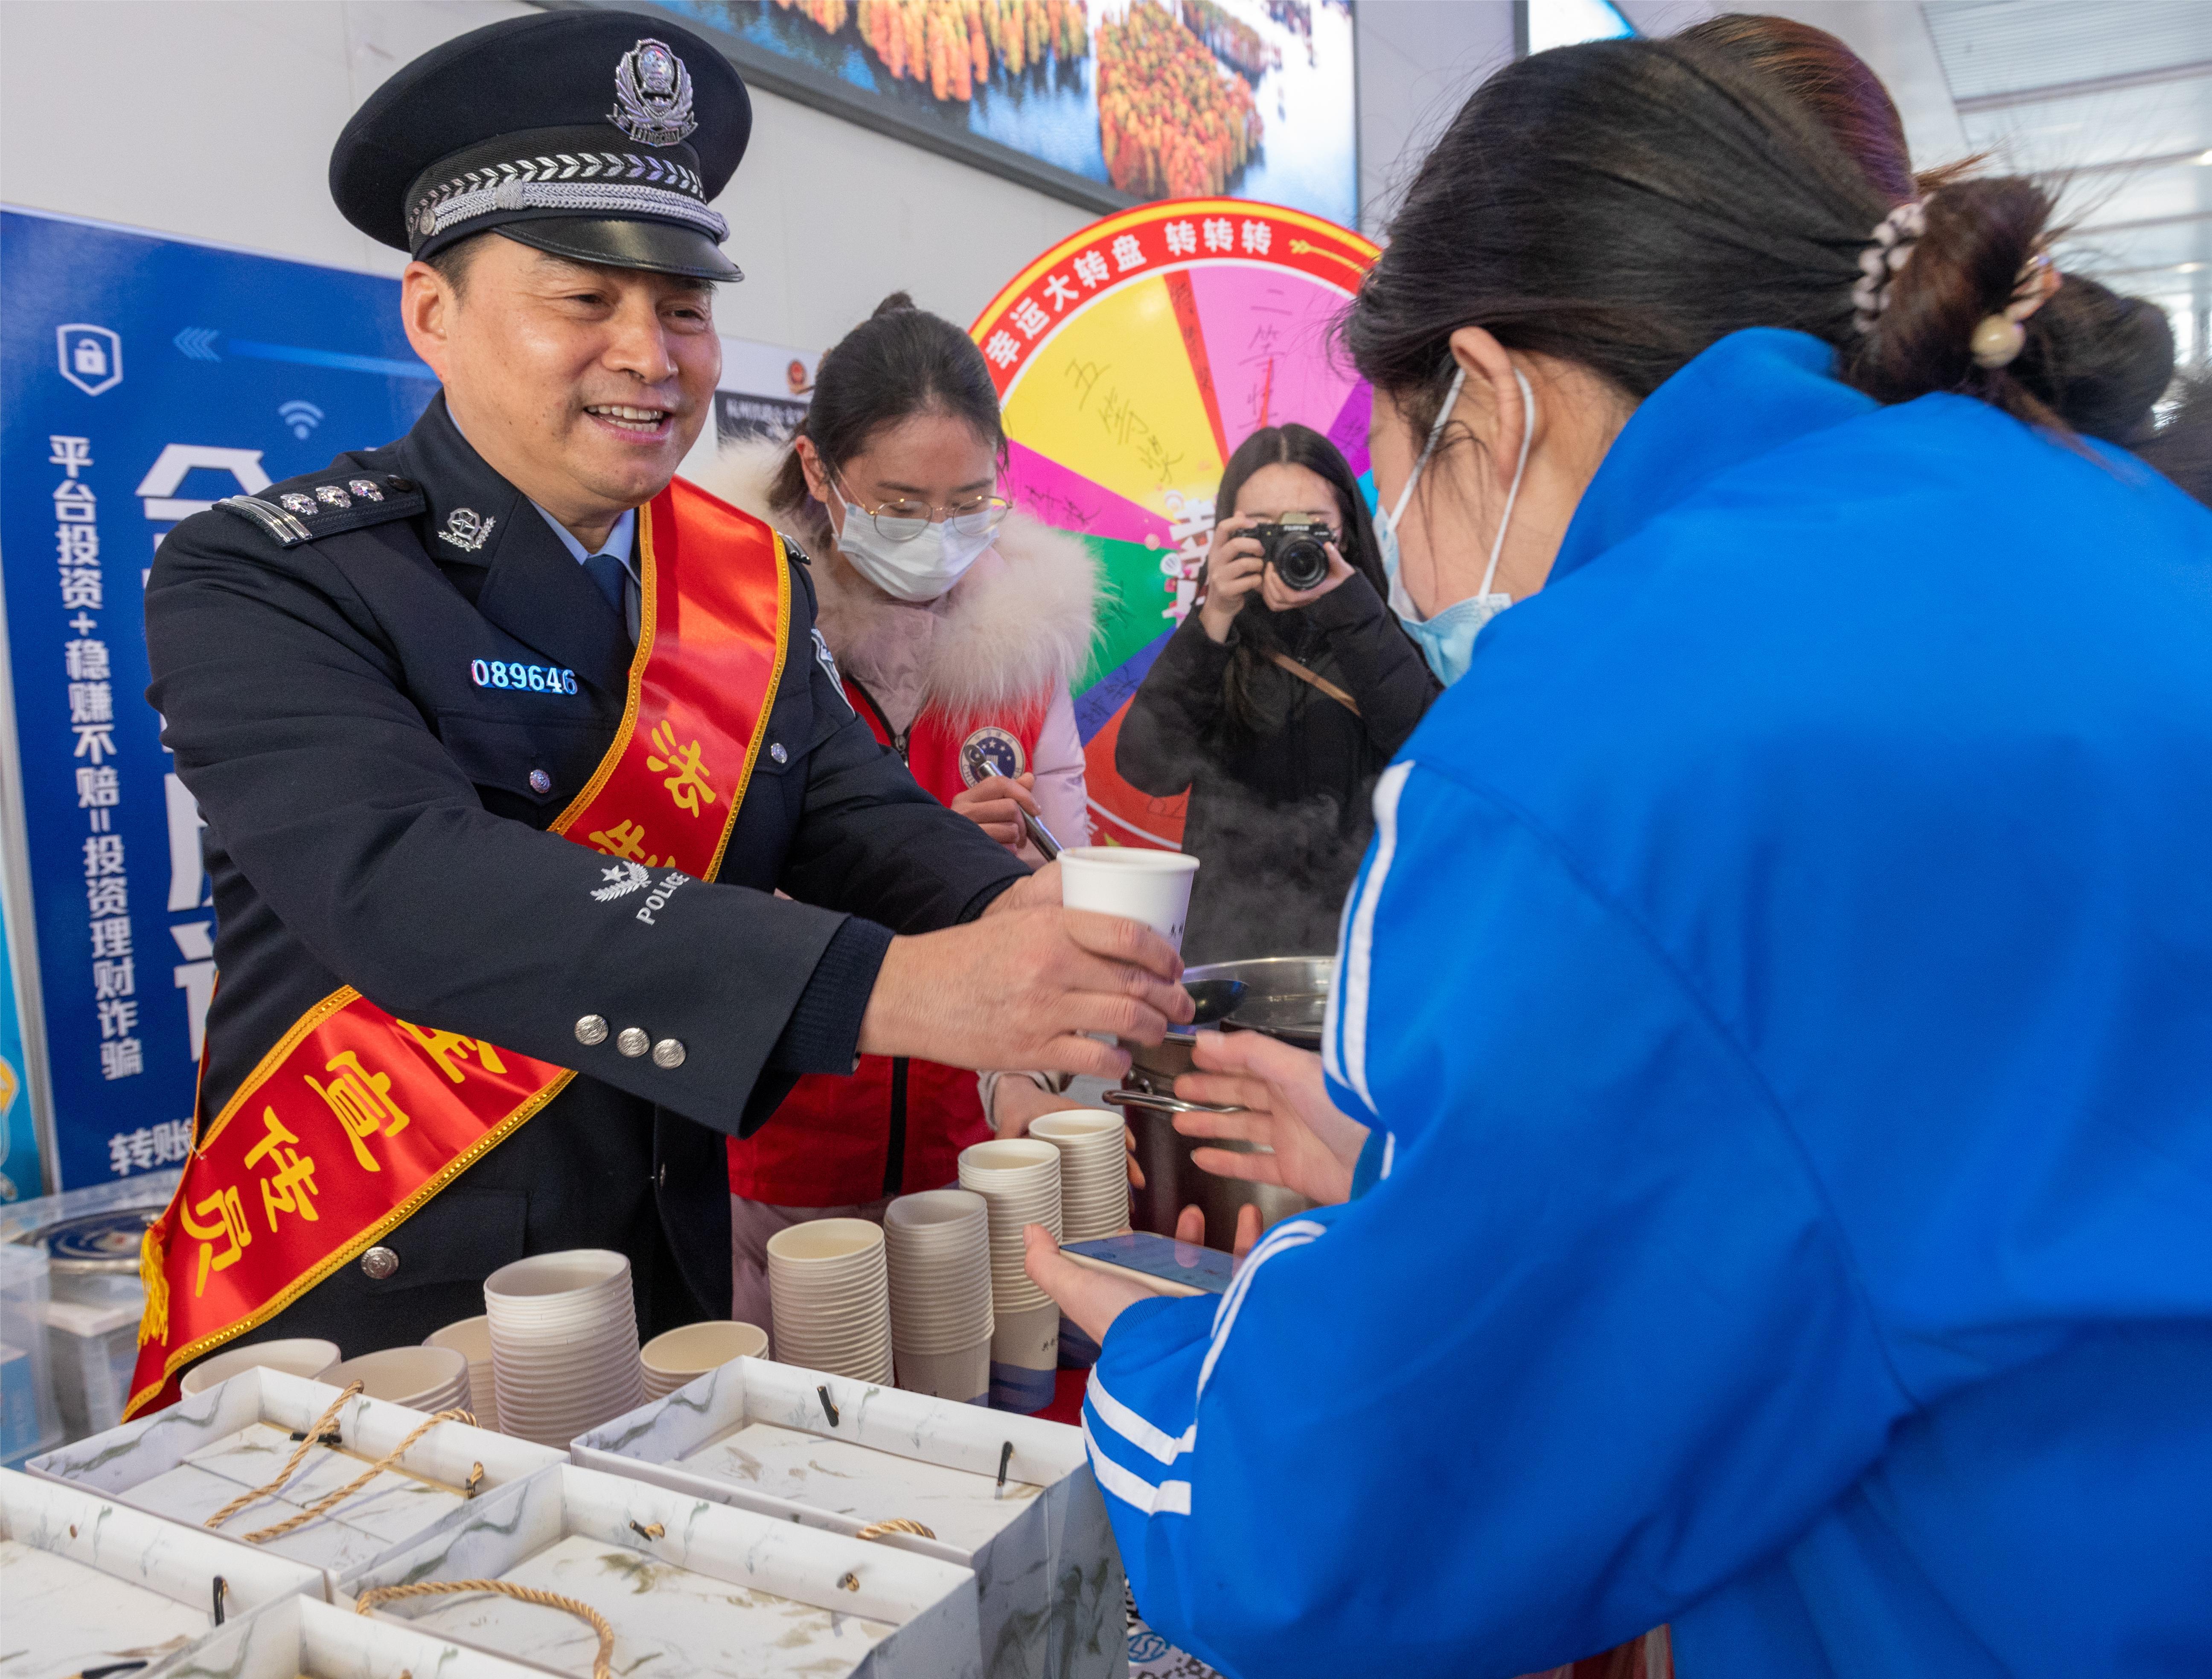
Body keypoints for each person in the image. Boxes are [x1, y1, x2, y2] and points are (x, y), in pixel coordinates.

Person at [1025, 32, 2212, 1678]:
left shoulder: (1598, 728)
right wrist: (1412, 1180)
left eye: (1393, 474)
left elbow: (1353, 1523)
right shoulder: (2110, 523)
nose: (1407, 551)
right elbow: (1893, 1139)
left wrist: (1174, 1363)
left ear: (1491, 401)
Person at [126, 9, 1189, 1417]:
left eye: (683, 305)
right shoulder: (266, 572)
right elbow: (413, 884)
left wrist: (1010, 913)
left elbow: (846, 806)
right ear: (431, 311)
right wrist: (900, 989)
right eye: (584, 298)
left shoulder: (741, 575)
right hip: (387, 1296)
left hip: (669, 1266)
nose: (651, 352)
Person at [691, 293, 1097, 1330]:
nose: (935, 536)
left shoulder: (1022, 642)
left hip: (970, 1144)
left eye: (966, 502)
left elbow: (1064, 885)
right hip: (776, 1140)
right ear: (820, 475)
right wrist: (903, 859)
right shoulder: (730, 630)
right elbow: (670, 897)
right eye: (900, 505)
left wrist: (1027, 1080)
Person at [1116, 425, 1438, 961]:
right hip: (1230, 950)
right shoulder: (1218, 643)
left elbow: (1432, 753)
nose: (1291, 546)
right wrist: (1214, 614)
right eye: (1262, 530)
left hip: (1366, 951)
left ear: (1349, 535)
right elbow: (1147, 767)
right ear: (1227, 535)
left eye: (1312, 529)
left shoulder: (1385, 634)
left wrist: (1354, 610)